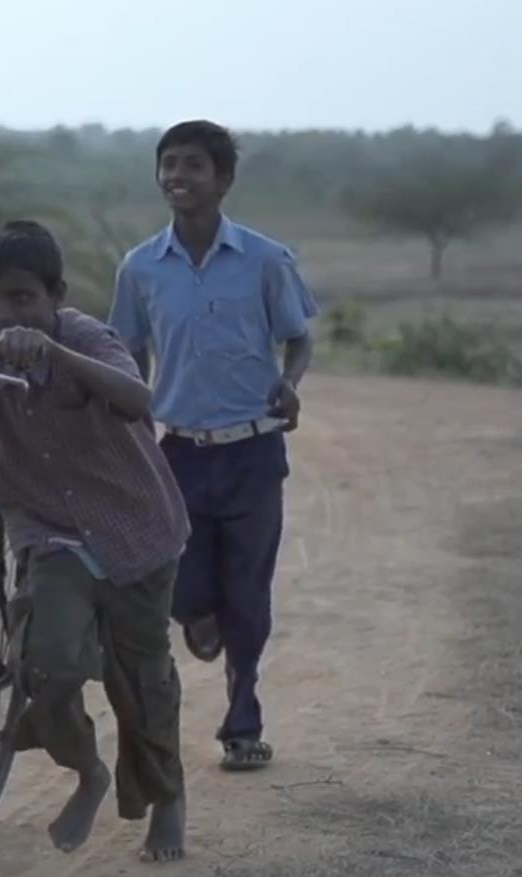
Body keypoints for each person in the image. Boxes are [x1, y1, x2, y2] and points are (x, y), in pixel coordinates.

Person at [0, 219, 192, 863]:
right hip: (49, 534)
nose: (3, 314)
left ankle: (167, 802)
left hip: (134, 529)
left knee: (141, 681)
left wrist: (53, 354)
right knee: (46, 664)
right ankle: (88, 770)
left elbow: (137, 396)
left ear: (56, 295)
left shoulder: (82, 336)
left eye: (22, 297)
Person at [107, 119, 318, 772]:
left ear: (222, 179)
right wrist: (120, 419)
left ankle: (242, 718)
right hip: (176, 455)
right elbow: (124, 350)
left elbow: (298, 336)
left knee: (247, 595)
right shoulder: (140, 267)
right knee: (180, 586)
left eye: (193, 165)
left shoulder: (264, 259)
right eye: (168, 164)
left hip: (252, 453)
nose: (178, 175)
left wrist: (288, 384)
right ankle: (202, 618)